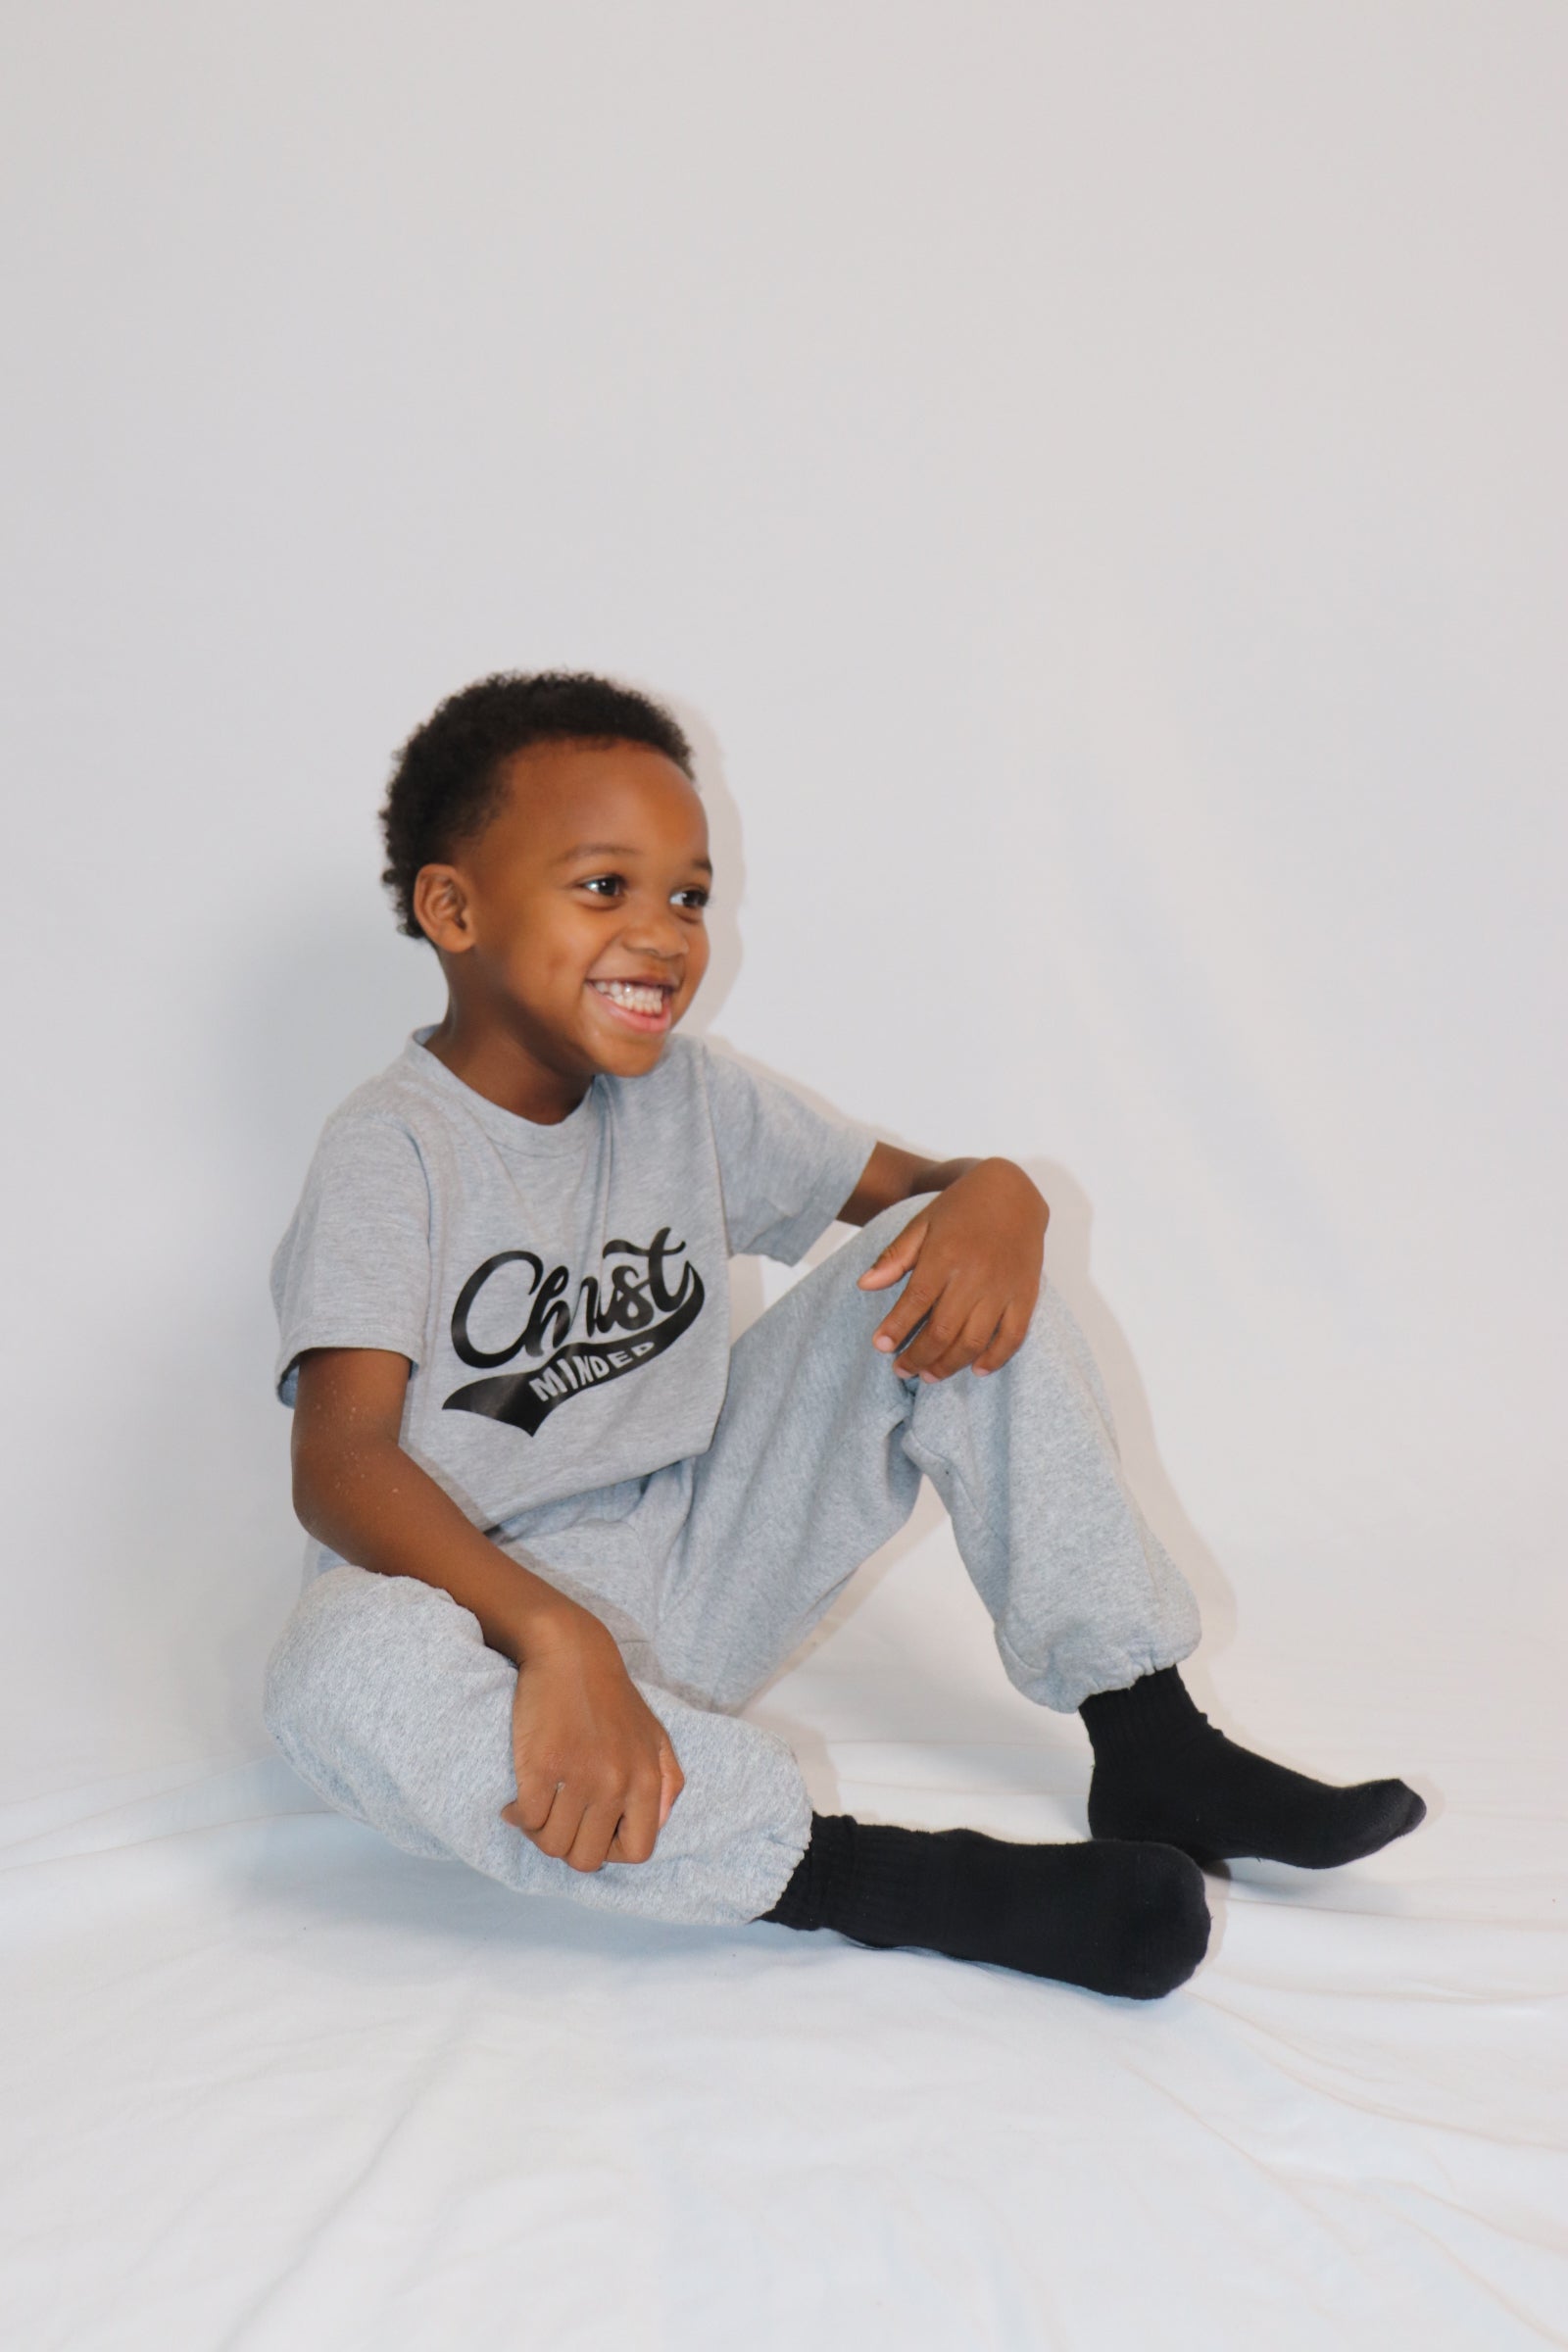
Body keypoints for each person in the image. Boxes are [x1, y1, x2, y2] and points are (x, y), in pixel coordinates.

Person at [263, 671, 1425, 2002]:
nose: (662, 936)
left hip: (701, 1571)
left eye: (688, 896)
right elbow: (340, 1466)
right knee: (329, 1671)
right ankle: (881, 1882)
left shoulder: (692, 1101)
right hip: (489, 1636)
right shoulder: (392, 1148)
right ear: (453, 908)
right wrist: (554, 1638)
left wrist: (1005, 1190)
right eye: (604, 888)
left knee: (934, 1263)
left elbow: (928, 1205)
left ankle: (1152, 1741)